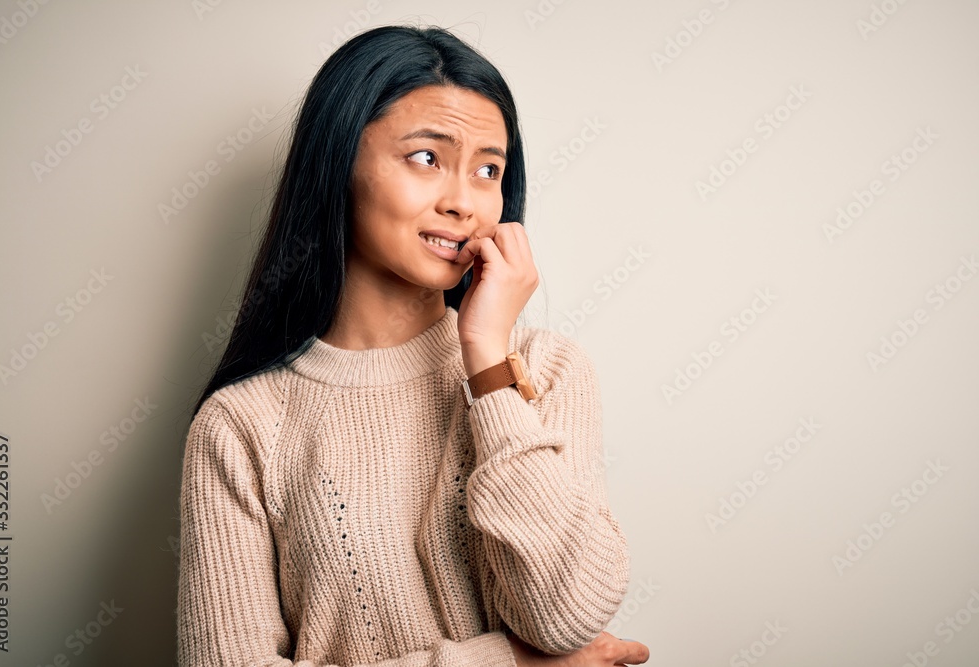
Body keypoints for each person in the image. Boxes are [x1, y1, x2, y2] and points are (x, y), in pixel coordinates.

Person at [176, 23, 649, 667]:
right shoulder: (239, 425)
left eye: (489, 170)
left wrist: (486, 356)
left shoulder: (546, 370)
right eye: (427, 158)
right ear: (338, 164)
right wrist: (501, 663)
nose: (464, 203)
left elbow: (566, 616)